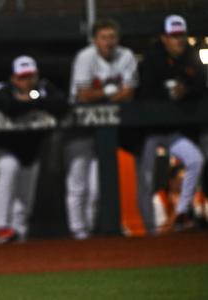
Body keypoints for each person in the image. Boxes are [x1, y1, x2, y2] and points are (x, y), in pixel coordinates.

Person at [67, 19, 138, 239]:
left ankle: (89, 233)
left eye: (112, 37)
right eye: (104, 37)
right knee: (78, 184)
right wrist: (111, 93)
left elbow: (130, 93)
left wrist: (104, 94)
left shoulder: (125, 55)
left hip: (106, 129)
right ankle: (78, 232)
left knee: (97, 188)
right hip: (78, 126)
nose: (109, 42)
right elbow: (82, 95)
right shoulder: (85, 57)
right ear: (95, 39)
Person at [138, 15, 205, 232]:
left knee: (195, 159)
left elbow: (201, 85)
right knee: (146, 179)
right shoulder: (152, 58)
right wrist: (167, 93)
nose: (179, 40)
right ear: (164, 38)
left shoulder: (191, 56)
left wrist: (186, 90)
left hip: (173, 129)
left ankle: (181, 212)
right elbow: (144, 91)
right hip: (148, 129)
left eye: (181, 35)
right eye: (173, 36)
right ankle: (150, 230)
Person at [0, 55, 65, 244]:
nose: (27, 81)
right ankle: (1, 228)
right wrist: (36, 104)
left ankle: (18, 237)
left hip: (29, 152)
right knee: (9, 167)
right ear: (14, 78)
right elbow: (9, 106)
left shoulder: (44, 88)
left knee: (25, 197)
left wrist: (30, 102)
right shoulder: (4, 89)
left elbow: (62, 104)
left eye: (31, 76)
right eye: (22, 77)